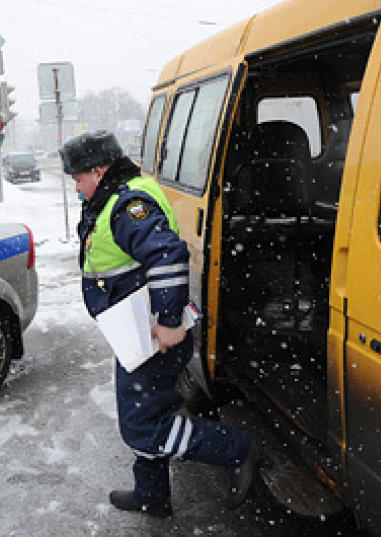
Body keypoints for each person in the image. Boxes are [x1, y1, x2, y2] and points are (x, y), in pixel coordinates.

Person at [61, 130, 260, 518]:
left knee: (142, 425)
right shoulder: (112, 199)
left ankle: (238, 447)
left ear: (98, 172)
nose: (76, 188)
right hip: (134, 333)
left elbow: (168, 255)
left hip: (153, 335)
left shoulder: (127, 206)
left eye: (78, 179)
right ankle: (151, 495)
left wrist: (170, 322)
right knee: (140, 412)